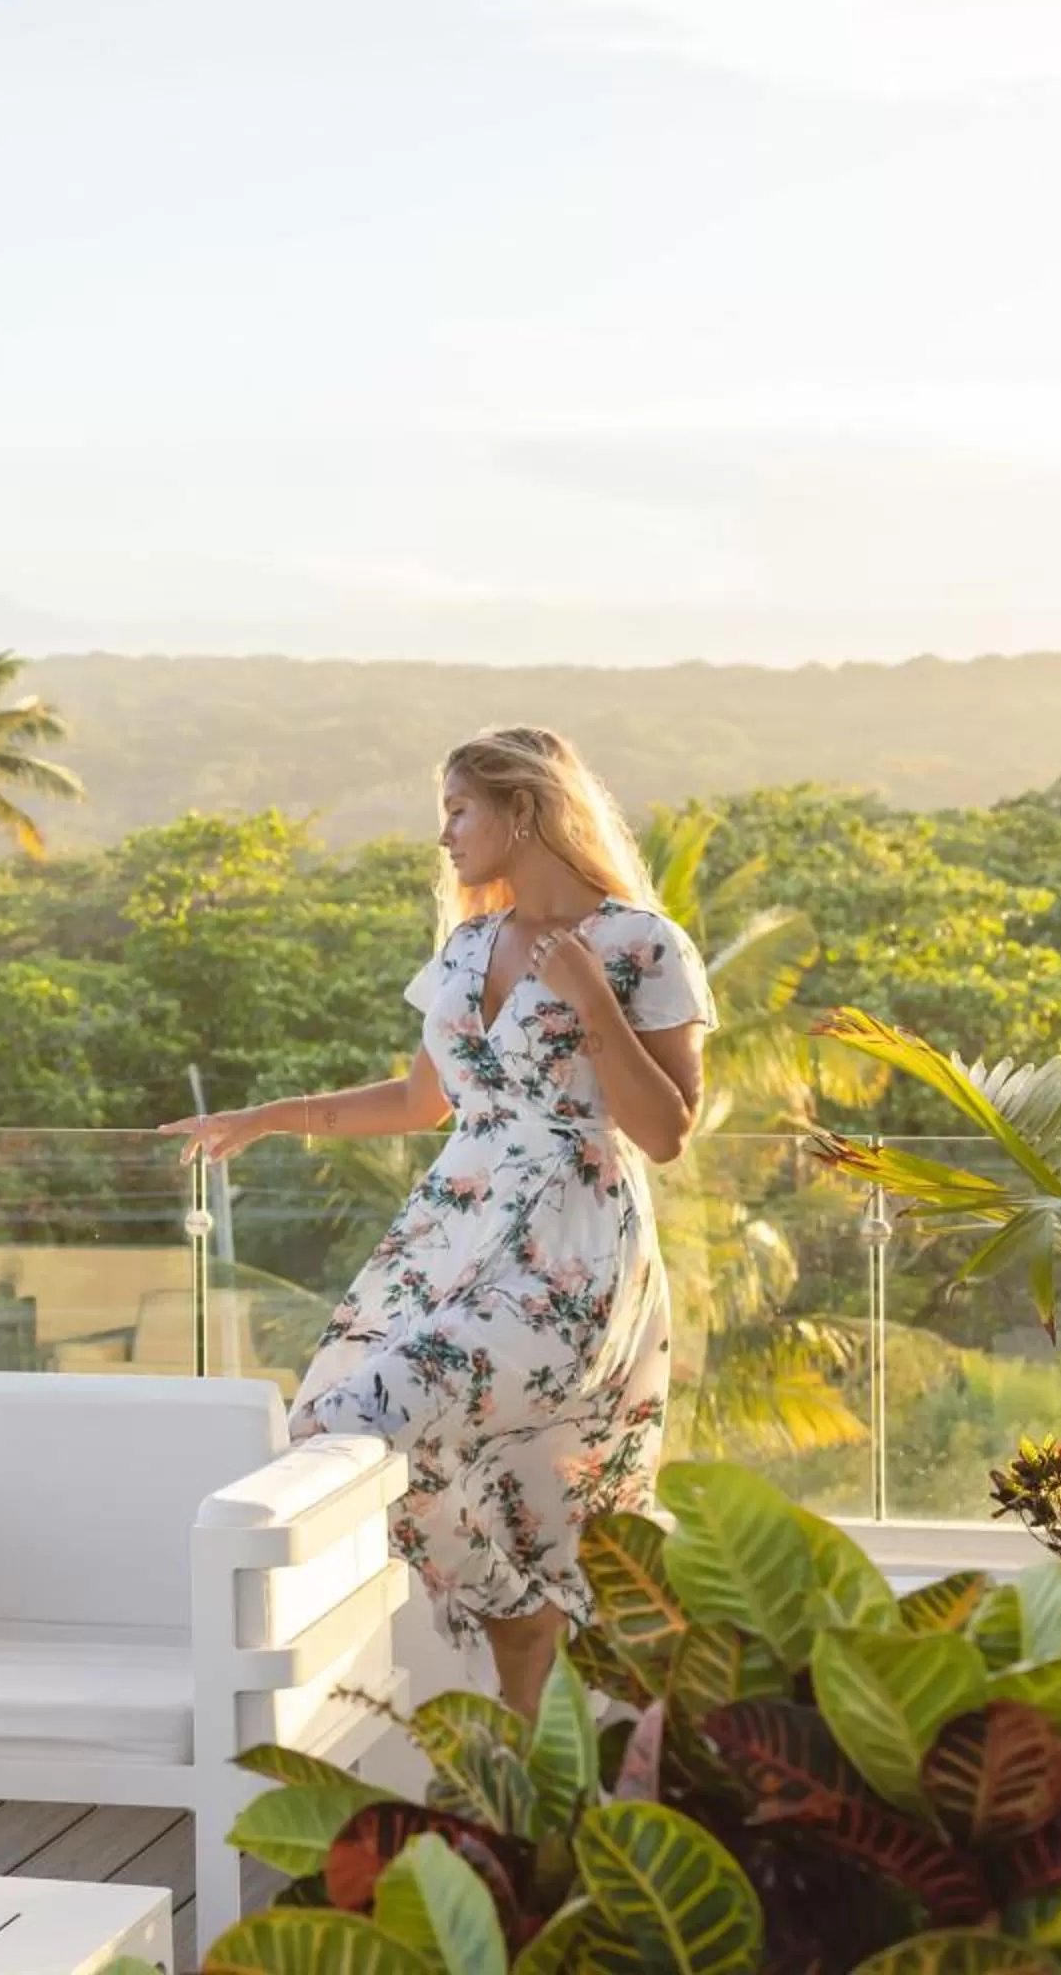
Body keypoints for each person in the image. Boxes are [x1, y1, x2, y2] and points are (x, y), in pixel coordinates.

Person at [159, 725, 714, 1718]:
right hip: (447, 1243)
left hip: (571, 1252)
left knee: (379, 1421)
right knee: (341, 1430)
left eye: (460, 810)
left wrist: (593, 999)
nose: (447, 835)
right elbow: (424, 1100)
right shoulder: (464, 950)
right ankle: (525, 1693)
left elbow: (667, 1130)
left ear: (523, 809)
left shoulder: (640, 945)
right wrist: (266, 1117)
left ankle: (520, 1624)